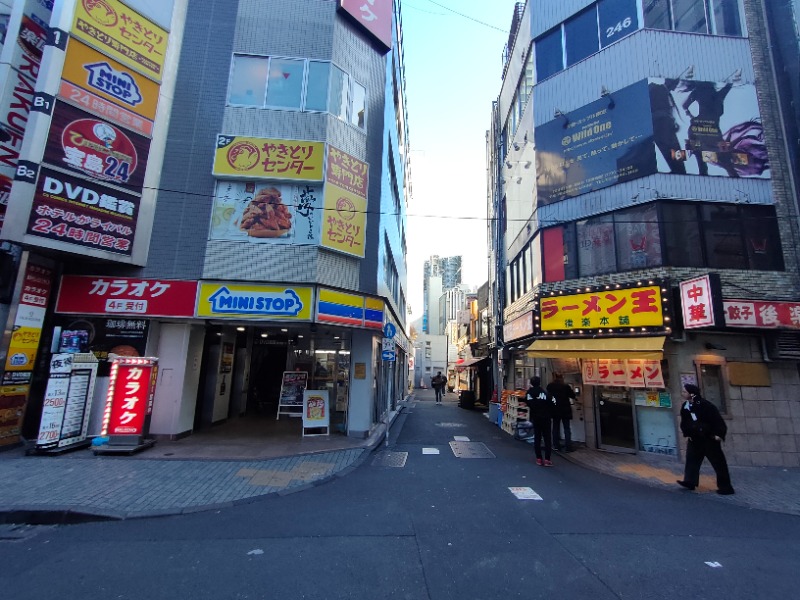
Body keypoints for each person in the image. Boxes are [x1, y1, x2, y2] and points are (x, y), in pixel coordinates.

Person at [677, 383, 735, 495]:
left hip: (709, 438)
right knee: (692, 460)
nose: (683, 393)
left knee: (718, 463)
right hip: (694, 438)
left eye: (685, 391)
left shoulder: (706, 405)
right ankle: (690, 481)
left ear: (692, 394)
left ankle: (726, 487)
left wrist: (719, 434)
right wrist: (687, 433)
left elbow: (717, 420)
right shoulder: (685, 406)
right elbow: (684, 422)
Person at [525, 376, 555, 466]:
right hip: (546, 417)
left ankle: (538, 458)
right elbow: (553, 402)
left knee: (537, 438)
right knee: (547, 438)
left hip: (535, 417)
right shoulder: (545, 392)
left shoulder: (529, 393)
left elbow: (527, 402)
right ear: (539, 382)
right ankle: (547, 459)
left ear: (531, 383)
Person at [547, 372, 576, 452]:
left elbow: (548, 395)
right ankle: (568, 447)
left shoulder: (550, 386)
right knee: (566, 428)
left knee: (555, 427)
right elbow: (573, 395)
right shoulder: (565, 386)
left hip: (554, 408)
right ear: (562, 377)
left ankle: (556, 445)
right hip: (565, 409)